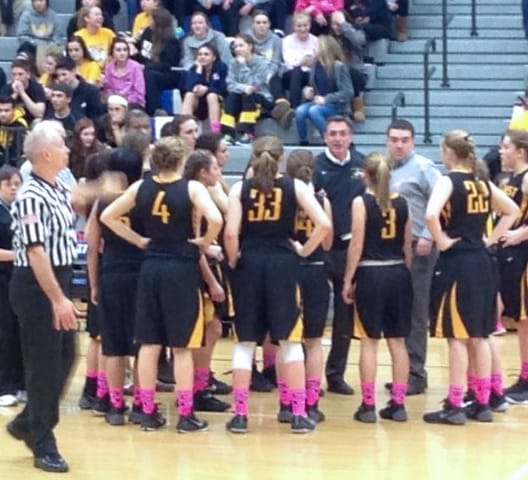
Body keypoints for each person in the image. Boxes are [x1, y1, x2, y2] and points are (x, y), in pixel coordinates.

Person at [100, 136, 223, 432]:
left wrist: (139, 240)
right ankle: (185, 415)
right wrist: (203, 243)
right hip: (180, 267)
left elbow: (107, 216)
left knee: (149, 343)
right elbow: (216, 218)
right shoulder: (191, 187)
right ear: (181, 160)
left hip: (151, 266)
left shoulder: (141, 186)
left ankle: (147, 411)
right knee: (181, 347)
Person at [223, 135, 331, 434]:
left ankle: (241, 415)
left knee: (245, 343)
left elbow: (231, 234)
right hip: (283, 265)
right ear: (281, 157)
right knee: (289, 341)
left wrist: (233, 261)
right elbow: (324, 224)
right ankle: (298, 413)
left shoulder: (239, 188)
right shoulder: (294, 186)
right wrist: (303, 250)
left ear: (253, 157)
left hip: (250, 264)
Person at [423, 129, 518, 425]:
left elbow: (430, 215)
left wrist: (440, 240)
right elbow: (512, 211)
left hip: (458, 263)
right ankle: (482, 400)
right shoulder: (482, 182)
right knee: (480, 333)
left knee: (456, 338)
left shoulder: (448, 180)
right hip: (483, 261)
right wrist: (490, 239)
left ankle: (453, 403)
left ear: (447, 151)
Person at [6, 121, 78, 473]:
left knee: (67, 357)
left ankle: (28, 421)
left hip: (58, 279)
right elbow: (35, 252)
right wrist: (58, 299)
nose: (68, 149)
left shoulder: (59, 184)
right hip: (38, 286)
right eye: (63, 145)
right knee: (44, 366)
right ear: (46, 154)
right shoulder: (30, 195)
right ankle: (43, 441)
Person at [342, 151, 412, 423]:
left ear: (366, 175)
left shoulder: (362, 202)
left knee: (369, 342)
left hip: (371, 274)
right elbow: (407, 246)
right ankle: (399, 404)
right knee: (398, 341)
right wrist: (403, 271)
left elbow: (356, 245)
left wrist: (348, 279)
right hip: (398, 272)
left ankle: (368, 405)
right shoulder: (404, 203)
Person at [86, 147, 145, 426]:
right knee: (144, 343)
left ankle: (115, 405)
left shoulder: (103, 200)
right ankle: (143, 406)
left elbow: (91, 244)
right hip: (142, 275)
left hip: (112, 274)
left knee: (113, 345)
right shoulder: (145, 198)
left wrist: (94, 283)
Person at [276, 149, 332, 424]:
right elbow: (328, 243)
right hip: (316, 272)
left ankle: (286, 401)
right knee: (313, 341)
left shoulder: (283, 199)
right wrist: (308, 248)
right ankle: (311, 402)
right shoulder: (322, 200)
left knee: (286, 340)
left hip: (288, 273)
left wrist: (297, 249)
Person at [385, 119, 441, 395]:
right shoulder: (384, 169)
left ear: (413, 141)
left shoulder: (423, 168)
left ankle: (417, 373)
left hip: (421, 246)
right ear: (387, 141)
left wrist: (430, 235)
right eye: (394, 139)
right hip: (394, 248)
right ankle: (403, 370)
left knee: (417, 311)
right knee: (400, 311)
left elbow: (442, 202)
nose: (399, 144)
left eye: (404, 139)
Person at [312, 115, 364, 395]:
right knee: (317, 313)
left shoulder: (362, 164)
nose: (338, 138)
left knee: (345, 314)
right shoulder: (316, 167)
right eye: (332, 133)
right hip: (321, 249)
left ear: (351, 136)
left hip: (351, 251)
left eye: (343, 133)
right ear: (324, 137)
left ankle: (336, 375)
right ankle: (311, 378)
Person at [496, 129, 528, 404]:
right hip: (511, 255)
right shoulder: (509, 178)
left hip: (525, 254)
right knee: (520, 319)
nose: (501, 151)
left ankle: (527, 381)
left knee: (526, 319)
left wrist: (522, 232)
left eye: (506, 147)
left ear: (520, 150)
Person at [295, 35, 354, 145]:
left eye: (316, 46)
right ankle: (303, 141)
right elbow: (312, 86)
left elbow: (348, 91)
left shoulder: (339, 66)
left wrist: (326, 99)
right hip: (317, 101)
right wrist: (307, 91)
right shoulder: (314, 65)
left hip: (335, 104)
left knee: (314, 111)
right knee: (300, 111)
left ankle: (328, 140)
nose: (313, 48)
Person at [220, 34, 273, 145]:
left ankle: (247, 133)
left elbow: (254, 84)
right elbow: (230, 84)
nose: (238, 49)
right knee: (232, 96)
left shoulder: (261, 63)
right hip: (241, 96)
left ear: (250, 46)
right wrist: (243, 88)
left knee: (248, 96)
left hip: (261, 98)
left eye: (241, 46)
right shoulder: (233, 63)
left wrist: (243, 66)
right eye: (235, 47)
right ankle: (228, 134)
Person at [0, 165, 23, 408]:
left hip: (17, 279)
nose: (15, 188)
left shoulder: (19, 210)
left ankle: (19, 382)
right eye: (10, 184)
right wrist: (17, 255)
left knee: (18, 331)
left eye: (18, 183)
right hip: (2, 278)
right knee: (4, 333)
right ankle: (3, 386)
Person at [133, 8, 182, 115]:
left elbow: (168, 65)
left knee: (149, 75)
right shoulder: (147, 32)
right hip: (146, 68)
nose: (149, 21)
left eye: (151, 19)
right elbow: (141, 53)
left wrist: (147, 67)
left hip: (167, 74)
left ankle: (154, 109)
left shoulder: (171, 41)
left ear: (158, 22)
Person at [182, 44, 227, 134]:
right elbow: (188, 87)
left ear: (214, 57)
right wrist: (198, 71)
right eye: (200, 54)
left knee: (211, 95)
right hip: (200, 105)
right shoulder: (195, 68)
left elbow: (223, 88)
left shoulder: (221, 67)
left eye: (206, 54)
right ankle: (185, 129)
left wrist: (207, 89)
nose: (202, 57)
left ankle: (215, 132)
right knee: (189, 95)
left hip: (219, 102)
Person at [281, 12, 318, 109]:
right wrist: (301, 63)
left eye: (305, 25)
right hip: (291, 76)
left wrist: (312, 62)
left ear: (310, 25)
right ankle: (294, 106)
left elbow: (319, 60)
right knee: (297, 71)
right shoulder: (286, 41)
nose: (302, 29)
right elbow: (288, 63)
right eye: (299, 26)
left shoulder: (316, 40)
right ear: (294, 27)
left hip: (310, 74)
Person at [55, 55, 105, 121]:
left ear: (74, 71)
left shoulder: (91, 91)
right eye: (58, 76)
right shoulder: (56, 93)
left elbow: (96, 117)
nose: (61, 79)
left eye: (64, 74)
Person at [1, 57, 46, 125]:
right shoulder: (7, 88)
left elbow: (39, 114)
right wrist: (15, 94)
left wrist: (22, 93)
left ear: (28, 75)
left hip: (31, 121)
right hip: (12, 120)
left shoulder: (37, 88)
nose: (17, 78)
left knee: (38, 122)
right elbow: (3, 109)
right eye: (14, 74)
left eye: (20, 74)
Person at [103, 37, 145, 107]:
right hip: (114, 102)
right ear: (112, 53)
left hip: (133, 103)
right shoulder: (109, 67)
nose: (122, 53)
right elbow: (108, 88)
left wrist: (123, 100)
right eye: (118, 50)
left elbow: (139, 93)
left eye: (125, 50)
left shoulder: (136, 67)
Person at [0, 95, 28, 167]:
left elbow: (17, 150)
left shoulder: (20, 124)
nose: (3, 114)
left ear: (14, 110)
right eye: (0, 110)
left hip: (15, 161)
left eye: (6, 110)